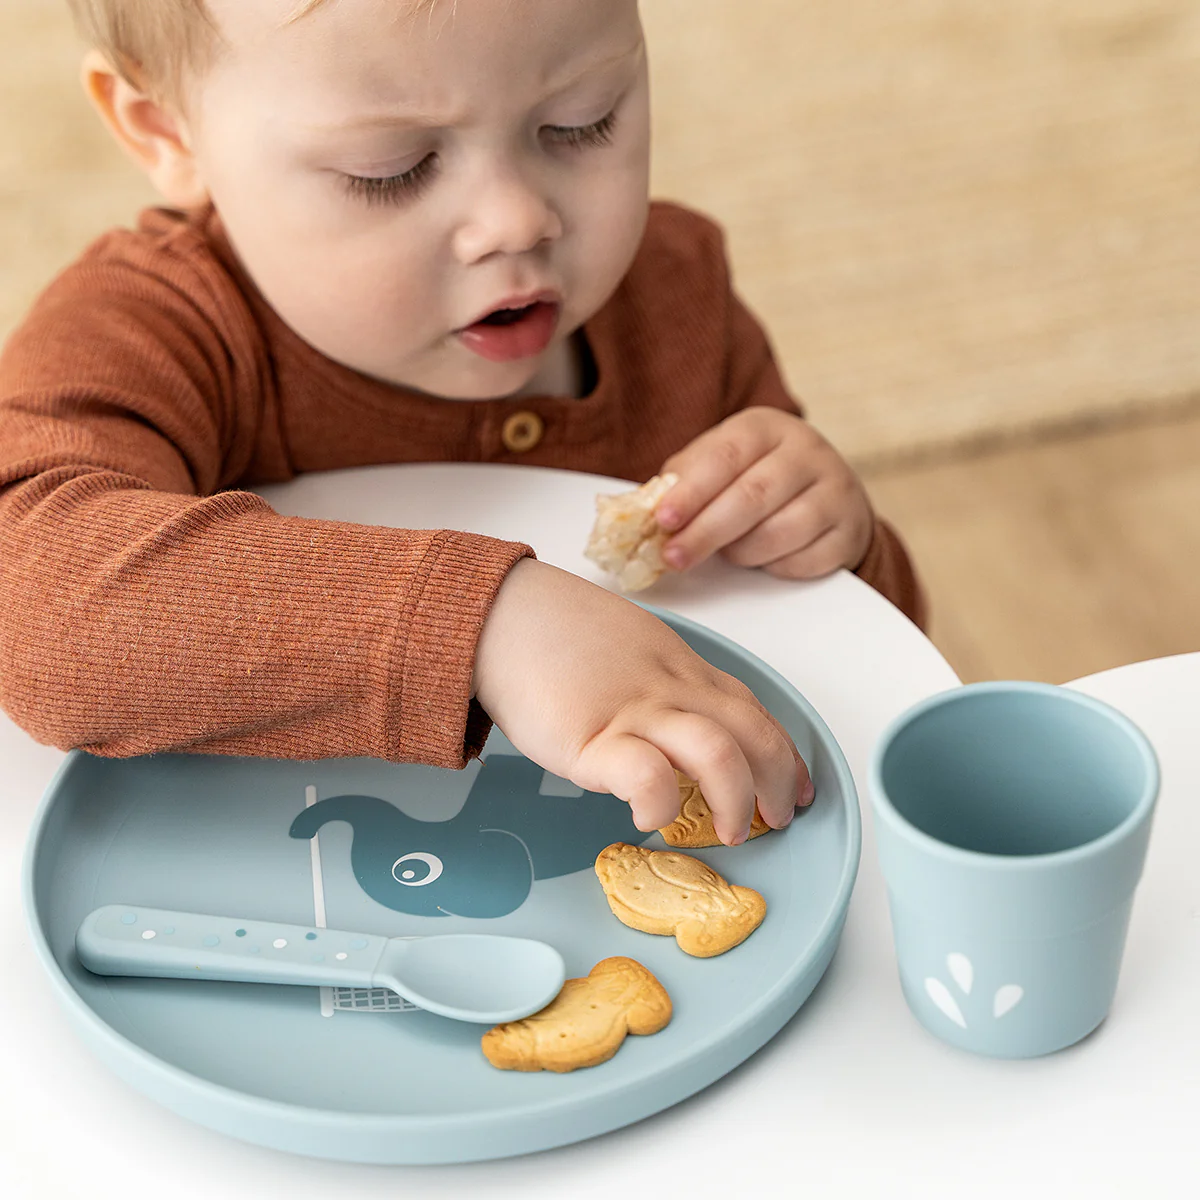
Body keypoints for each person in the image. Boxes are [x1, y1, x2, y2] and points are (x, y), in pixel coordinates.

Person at [0, 0, 925, 847]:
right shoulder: (157, 329)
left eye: (583, 121)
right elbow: (33, 594)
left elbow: (871, 679)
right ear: (165, 130)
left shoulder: (677, 299)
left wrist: (836, 540)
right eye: (391, 169)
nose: (517, 221)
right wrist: (485, 626)